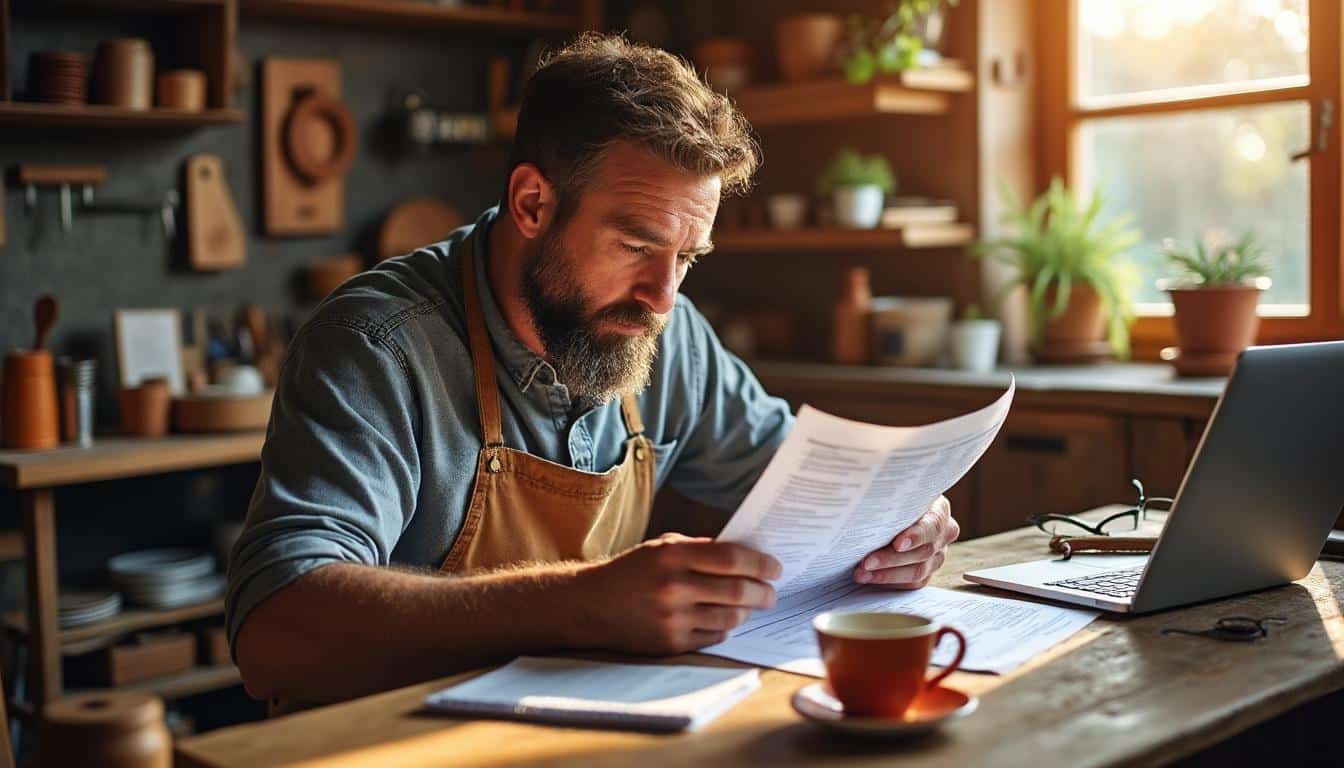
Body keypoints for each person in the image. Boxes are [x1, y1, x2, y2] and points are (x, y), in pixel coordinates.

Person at [228, 33, 959, 705]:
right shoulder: (377, 346)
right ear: (532, 202)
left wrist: (897, 523)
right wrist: (576, 602)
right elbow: (277, 628)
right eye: (636, 246)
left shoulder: (664, 335)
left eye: (686, 258)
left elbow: (813, 486)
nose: (662, 297)